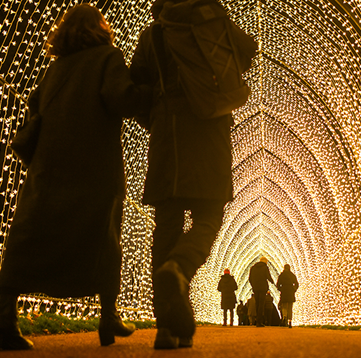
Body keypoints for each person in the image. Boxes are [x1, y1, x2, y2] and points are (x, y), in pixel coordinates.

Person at [0, 4, 152, 351]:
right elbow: (122, 99)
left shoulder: (55, 69)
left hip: (49, 167)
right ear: (99, 29)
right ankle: (107, 316)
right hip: (93, 167)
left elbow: (35, 106)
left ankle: (3, 317)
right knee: (102, 236)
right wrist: (153, 93)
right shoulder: (108, 57)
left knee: (30, 236)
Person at [130, 0, 234, 349]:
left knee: (167, 224)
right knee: (209, 217)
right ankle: (179, 265)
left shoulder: (152, 35)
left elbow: (136, 86)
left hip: (168, 132)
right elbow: (245, 54)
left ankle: (167, 327)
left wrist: (156, 114)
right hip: (210, 128)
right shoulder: (213, 21)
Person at [248, 257, 275, 327]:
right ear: (265, 262)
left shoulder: (253, 268)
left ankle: (257, 320)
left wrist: (253, 285)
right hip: (263, 288)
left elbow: (250, 278)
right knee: (261, 304)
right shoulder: (265, 267)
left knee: (257, 303)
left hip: (255, 288)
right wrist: (273, 282)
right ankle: (259, 321)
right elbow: (268, 276)